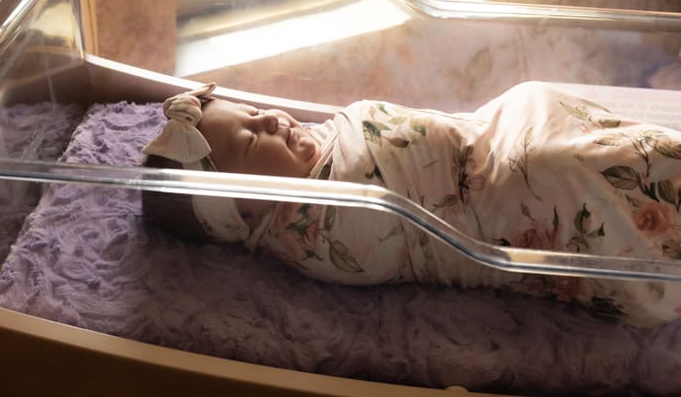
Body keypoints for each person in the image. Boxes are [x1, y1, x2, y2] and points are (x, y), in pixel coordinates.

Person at [140, 82, 681, 327]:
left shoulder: (319, 143)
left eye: (253, 111)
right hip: (498, 204)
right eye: (251, 140)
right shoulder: (314, 232)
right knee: (553, 167)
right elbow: (391, 232)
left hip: (488, 133)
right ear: (246, 211)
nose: (269, 119)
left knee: (538, 114)